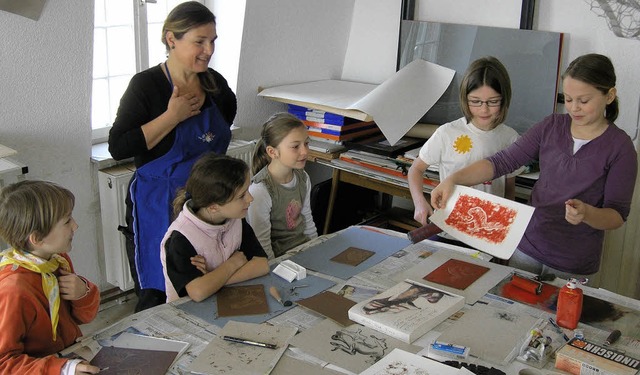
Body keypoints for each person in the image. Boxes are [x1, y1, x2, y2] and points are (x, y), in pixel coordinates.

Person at [430, 53, 637, 280]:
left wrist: (587, 213)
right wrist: (452, 179)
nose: (574, 108)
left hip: (573, 260)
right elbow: (501, 162)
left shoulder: (621, 148)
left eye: (583, 101)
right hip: (528, 246)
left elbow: (616, 215)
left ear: (609, 96)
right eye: (567, 99)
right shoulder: (551, 126)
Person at [108, 1, 237, 311]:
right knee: (158, 293)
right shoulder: (146, 86)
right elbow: (118, 146)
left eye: (212, 41)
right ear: (171, 39)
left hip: (203, 203)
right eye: (199, 41)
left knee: (206, 282)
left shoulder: (216, 85)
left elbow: (222, 129)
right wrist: (172, 117)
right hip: (158, 204)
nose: (208, 49)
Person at [408, 56, 522, 244]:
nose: (484, 110)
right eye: (475, 101)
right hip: (449, 227)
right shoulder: (447, 132)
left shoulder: (510, 138)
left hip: (488, 233)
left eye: (492, 102)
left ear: (504, 99)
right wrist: (420, 202)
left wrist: (507, 226)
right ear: (464, 98)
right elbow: (416, 169)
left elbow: (509, 187)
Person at [0, 181, 101, 374]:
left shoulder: (57, 261)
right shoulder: (12, 289)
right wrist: (62, 369)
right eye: (66, 221)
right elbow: (4, 363)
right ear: (37, 238)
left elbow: (84, 317)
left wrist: (83, 292)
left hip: (68, 355)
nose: (76, 225)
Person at [160, 153, 269, 303]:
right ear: (213, 207)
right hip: (188, 314)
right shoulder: (181, 238)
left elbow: (261, 264)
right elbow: (198, 292)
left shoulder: (235, 220)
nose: (250, 198)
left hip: (224, 300)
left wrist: (212, 277)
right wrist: (233, 264)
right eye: (242, 196)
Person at [247, 112, 318, 259]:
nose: (304, 151)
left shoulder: (303, 178)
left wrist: (317, 249)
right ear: (273, 152)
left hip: (304, 250)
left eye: (306, 143)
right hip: (281, 260)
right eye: (295, 146)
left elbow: (307, 221)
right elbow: (262, 243)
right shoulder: (260, 190)